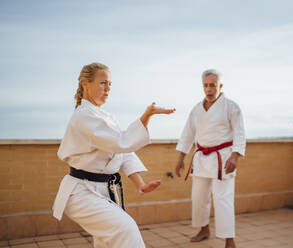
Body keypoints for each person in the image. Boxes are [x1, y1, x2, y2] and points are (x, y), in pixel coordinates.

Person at [52, 62, 175, 248]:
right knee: (127, 230)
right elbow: (121, 142)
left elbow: (122, 153)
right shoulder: (84, 116)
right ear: (85, 84)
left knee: (106, 243)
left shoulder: (106, 117)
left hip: (102, 192)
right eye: (103, 83)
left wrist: (139, 184)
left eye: (110, 84)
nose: (108, 88)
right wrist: (146, 116)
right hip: (81, 193)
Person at [175, 69, 245, 248]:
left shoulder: (231, 106)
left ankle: (230, 240)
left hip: (223, 158)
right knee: (198, 197)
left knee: (223, 199)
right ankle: (204, 229)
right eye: (205, 85)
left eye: (212, 85)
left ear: (220, 86)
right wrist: (181, 158)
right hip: (201, 159)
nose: (209, 89)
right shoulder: (197, 109)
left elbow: (239, 133)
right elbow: (188, 134)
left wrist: (235, 157)